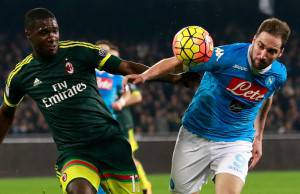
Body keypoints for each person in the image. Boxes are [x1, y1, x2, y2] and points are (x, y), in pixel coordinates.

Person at [0, 8, 190, 194]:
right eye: (44, 32)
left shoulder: (79, 51)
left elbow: (126, 66)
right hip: (74, 151)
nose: (52, 36)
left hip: (111, 143)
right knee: (79, 190)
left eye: (55, 30)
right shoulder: (20, 76)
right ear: (28, 34)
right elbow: (6, 112)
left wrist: (174, 79)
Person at [123, 18, 291, 194]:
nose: (263, 55)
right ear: (254, 39)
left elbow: (266, 98)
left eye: (271, 51)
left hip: (236, 141)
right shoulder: (225, 57)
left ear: (280, 53)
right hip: (196, 134)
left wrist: (258, 137)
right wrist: (145, 76)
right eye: (260, 46)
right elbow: (177, 61)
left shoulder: (278, 75)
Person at [95, 40, 152, 194]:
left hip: (118, 124)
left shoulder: (117, 75)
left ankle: (145, 186)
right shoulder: (89, 71)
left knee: (126, 158)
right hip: (93, 125)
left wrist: (121, 101)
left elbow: (136, 95)